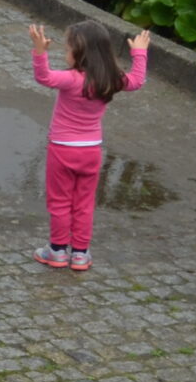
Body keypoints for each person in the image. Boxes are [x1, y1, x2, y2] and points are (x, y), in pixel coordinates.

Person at [29, 19, 152, 272]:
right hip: (91, 150)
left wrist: (40, 52)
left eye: (67, 49)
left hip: (62, 149)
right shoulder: (112, 79)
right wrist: (139, 52)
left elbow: (44, 77)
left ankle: (58, 250)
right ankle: (81, 254)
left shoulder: (71, 79)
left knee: (60, 202)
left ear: (80, 53)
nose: (65, 54)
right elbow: (137, 80)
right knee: (83, 204)